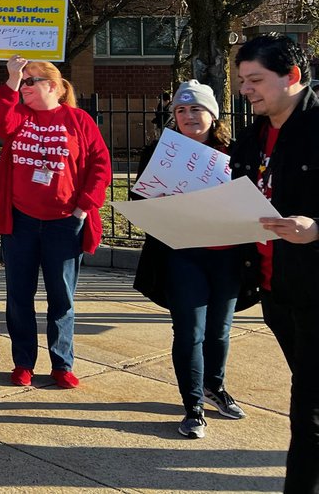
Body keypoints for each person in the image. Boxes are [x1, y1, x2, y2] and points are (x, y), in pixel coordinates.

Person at [132, 80, 257, 439]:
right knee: (190, 331)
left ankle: (214, 388)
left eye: (196, 108)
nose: (189, 116)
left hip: (228, 257)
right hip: (181, 255)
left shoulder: (236, 152)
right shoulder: (159, 152)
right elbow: (141, 200)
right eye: (181, 110)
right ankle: (193, 407)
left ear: (212, 114)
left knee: (219, 331)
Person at [228, 34, 319, 493]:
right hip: (274, 289)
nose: (246, 89)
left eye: (256, 80)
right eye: (242, 80)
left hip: (316, 292)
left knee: (308, 418)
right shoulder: (254, 133)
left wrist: (318, 228)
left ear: (293, 77)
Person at [0, 56, 111, 390]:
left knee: (62, 297)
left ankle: (62, 363)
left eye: (30, 81)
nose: (23, 86)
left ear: (52, 85)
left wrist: (84, 207)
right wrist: (12, 80)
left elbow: (101, 165)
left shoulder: (78, 120)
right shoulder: (19, 116)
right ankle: (23, 362)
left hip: (64, 223)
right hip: (21, 221)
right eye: (21, 82)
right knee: (19, 295)